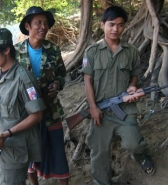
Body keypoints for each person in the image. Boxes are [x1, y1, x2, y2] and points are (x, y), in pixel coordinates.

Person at [81, 6, 156, 185]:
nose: (116, 29)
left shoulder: (131, 51)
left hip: (125, 108)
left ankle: (140, 155)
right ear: (102, 25)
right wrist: (93, 108)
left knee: (134, 144)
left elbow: (135, 74)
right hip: (101, 111)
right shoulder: (92, 51)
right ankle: (102, 181)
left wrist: (132, 87)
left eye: (120, 25)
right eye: (111, 24)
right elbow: (87, 81)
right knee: (99, 151)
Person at [0, 28, 46, 185]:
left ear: (6, 49)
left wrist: (7, 134)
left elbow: (37, 114)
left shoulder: (23, 78)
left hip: (15, 151)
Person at [15, 6, 69, 185]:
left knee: (58, 153)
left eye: (45, 23)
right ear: (28, 26)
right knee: (31, 156)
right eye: (38, 22)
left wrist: (58, 83)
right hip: (27, 114)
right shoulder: (15, 53)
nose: (43, 27)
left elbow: (62, 73)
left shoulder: (53, 49)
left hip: (51, 111)